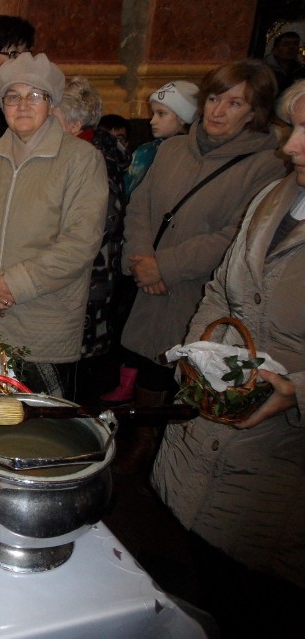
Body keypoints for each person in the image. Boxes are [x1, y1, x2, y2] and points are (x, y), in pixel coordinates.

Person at [151, 80, 305, 636]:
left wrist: (295, 389)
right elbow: (221, 287)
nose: (291, 146)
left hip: (279, 462)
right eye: (296, 129)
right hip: (207, 434)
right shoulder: (277, 197)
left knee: (256, 602)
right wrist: (202, 361)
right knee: (194, 577)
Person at [116, 59, 287, 473]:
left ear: (254, 111)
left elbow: (237, 234)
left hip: (199, 291)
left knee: (187, 375)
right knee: (149, 367)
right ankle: (142, 443)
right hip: (149, 280)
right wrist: (142, 261)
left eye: (234, 103)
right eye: (214, 98)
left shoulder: (265, 164)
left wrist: (166, 267)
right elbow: (141, 206)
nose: (217, 111)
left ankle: (166, 457)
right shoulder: (174, 148)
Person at [0, 53, 108, 385]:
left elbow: (80, 241)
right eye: (13, 96)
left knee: (36, 429)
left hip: (43, 325)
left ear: (51, 103)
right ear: (2, 104)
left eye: (35, 95)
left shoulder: (81, 160)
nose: (23, 105)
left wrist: (13, 284)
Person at [102, 80, 199, 404]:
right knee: (131, 322)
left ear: (185, 119)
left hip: (171, 261)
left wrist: (162, 266)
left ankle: (150, 397)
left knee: (163, 337)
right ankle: (128, 380)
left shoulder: (190, 156)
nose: (153, 120)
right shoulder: (146, 151)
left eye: (162, 114)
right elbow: (135, 202)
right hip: (140, 253)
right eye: (153, 113)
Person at [53, 77, 129, 400]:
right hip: (70, 282)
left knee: (75, 386)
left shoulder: (96, 160)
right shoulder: (74, 153)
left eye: (50, 116)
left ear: (73, 124)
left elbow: (98, 227)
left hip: (87, 287)